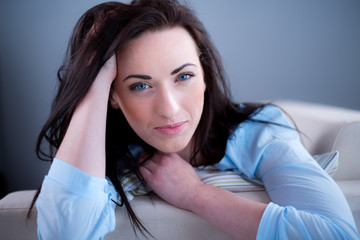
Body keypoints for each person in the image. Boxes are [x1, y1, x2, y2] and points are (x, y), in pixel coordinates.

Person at [32, 0, 359, 239]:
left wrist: (196, 194)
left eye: (183, 76)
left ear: (205, 76)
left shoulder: (257, 133)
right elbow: (63, 233)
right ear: (113, 96)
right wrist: (95, 78)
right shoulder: (106, 155)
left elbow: (336, 234)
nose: (170, 109)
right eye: (141, 85)